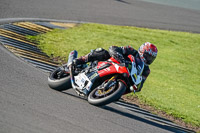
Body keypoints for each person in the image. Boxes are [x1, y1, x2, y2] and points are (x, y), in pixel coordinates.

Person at [72, 42, 158, 93]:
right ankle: (82, 59)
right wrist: (120, 58)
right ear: (142, 51)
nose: (148, 59)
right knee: (102, 52)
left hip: (125, 76)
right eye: (148, 56)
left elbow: (140, 84)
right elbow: (113, 48)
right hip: (112, 64)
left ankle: (112, 91)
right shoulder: (131, 50)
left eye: (151, 58)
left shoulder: (146, 70)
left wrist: (136, 86)